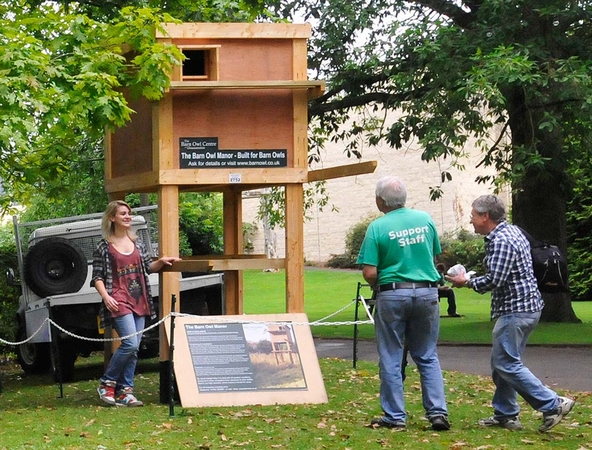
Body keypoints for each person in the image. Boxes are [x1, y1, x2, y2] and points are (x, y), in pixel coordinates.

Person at [446, 194, 575, 432]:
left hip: (517, 310)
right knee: (502, 363)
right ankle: (506, 414)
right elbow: (504, 273)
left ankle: (553, 404)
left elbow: (495, 279)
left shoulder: (502, 240)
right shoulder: (512, 232)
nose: (470, 220)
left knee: (506, 363)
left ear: (486, 216)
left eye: (473, 215)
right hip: (525, 307)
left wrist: (466, 282)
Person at [357, 176, 450, 431]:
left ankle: (395, 415)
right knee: (427, 354)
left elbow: (369, 272)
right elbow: (432, 257)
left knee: (391, 355)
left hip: (393, 293)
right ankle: (437, 412)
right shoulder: (425, 220)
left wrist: (378, 285)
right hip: (427, 293)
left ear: (380, 200)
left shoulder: (377, 227)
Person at [92, 200, 181, 407]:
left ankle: (125, 392)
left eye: (128, 213)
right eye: (122, 213)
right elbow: (97, 277)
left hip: (140, 300)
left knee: (134, 348)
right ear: (112, 217)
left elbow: (148, 267)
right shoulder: (104, 246)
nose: (127, 216)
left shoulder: (137, 243)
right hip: (118, 300)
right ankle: (107, 383)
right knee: (130, 344)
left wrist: (162, 262)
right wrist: (106, 297)